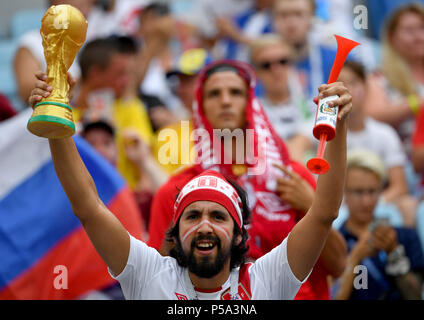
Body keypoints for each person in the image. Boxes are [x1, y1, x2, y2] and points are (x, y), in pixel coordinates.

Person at [28, 64, 353, 299]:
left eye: (219, 216)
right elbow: (88, 206)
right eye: (193, 216)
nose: (205, 226)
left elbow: (324, 213)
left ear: (241, 234)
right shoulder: (149, 275)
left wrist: (336, 126)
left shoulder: (266, 279)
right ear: (175, 230)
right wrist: (58, 125)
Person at [148, 60, 347, 299]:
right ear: (200, 107)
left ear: (251, 102)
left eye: (235, 92)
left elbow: (338, 266)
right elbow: (158, 281)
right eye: (214, 94)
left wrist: (309, 205)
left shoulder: (292, 177)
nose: (225, 101)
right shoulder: (177, 190)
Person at [333, 149, 424, 300]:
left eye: (372, 191)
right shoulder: (335, 243)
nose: (366, 201)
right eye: (358, 192)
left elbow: (415, 296)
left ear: (381, 191)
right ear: (344, 193)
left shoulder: (405, 237)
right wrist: (355, 257)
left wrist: (394, 254)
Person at [364, 3, 424, 155]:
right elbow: (371, 117)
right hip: (402, 159)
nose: (419, 37)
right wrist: (415, 104)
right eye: (409, 31)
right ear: (392, 38)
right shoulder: (379, 77)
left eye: (422, 28)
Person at [249, 34, 314, 158]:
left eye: (283, 62)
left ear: (292, 65)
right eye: (266, 65)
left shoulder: (314, 107)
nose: (276, 69)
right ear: (256, 72)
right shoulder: (250, 112)